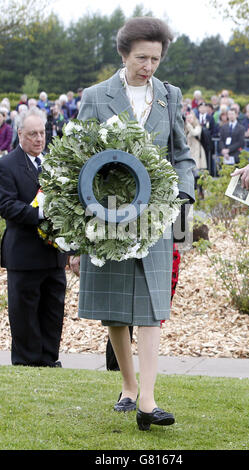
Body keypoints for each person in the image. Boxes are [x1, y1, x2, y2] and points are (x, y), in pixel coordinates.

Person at [69, 16, 195, 431]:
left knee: (152, 307)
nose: (149, 66)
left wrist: (182, 194)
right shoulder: (95, 96)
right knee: (116, 309)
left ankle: (148, 401)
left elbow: (182, 155)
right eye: (142, 57)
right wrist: (78, 226)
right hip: (108, 212)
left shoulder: (170, 96)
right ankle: (127, 384)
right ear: (123, 54)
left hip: (156, 216)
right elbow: (78, 157)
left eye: (156, 58)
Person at [0, 108, 67, 367]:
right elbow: (6, 206)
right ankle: (28, 361)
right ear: (20, 135)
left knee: (53, 309)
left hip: (53, 253)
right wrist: (40, 214)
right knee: (25, 313)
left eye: (42, 133)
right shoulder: (6, 165)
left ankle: (50, 359)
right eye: (33, 134)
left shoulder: (55, 163)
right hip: (24, 253)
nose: (39, 139)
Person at [184, 111, 207, 196]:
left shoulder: (198, 127)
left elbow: (194, 133)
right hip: (190, 153)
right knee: (192, 174)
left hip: (198, 153)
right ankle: (193, 193)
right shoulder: (186, 128)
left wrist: (188, 125)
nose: (189, 120)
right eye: (187, 118)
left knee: (199, 174)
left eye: (190, 118)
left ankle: (201, 192)